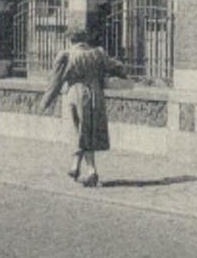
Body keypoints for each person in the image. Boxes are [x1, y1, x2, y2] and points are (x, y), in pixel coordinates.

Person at [39, 32, 130, 187]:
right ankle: (76, 167)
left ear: (70, 40)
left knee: (78, 131)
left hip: (75, 94)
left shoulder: (66, 55)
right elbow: (116, 67)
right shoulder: (98, 53)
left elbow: (55, 82)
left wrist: (45, 102)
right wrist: (123, 72)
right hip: (96, 94)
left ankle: (90, 170)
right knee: (89, 130)